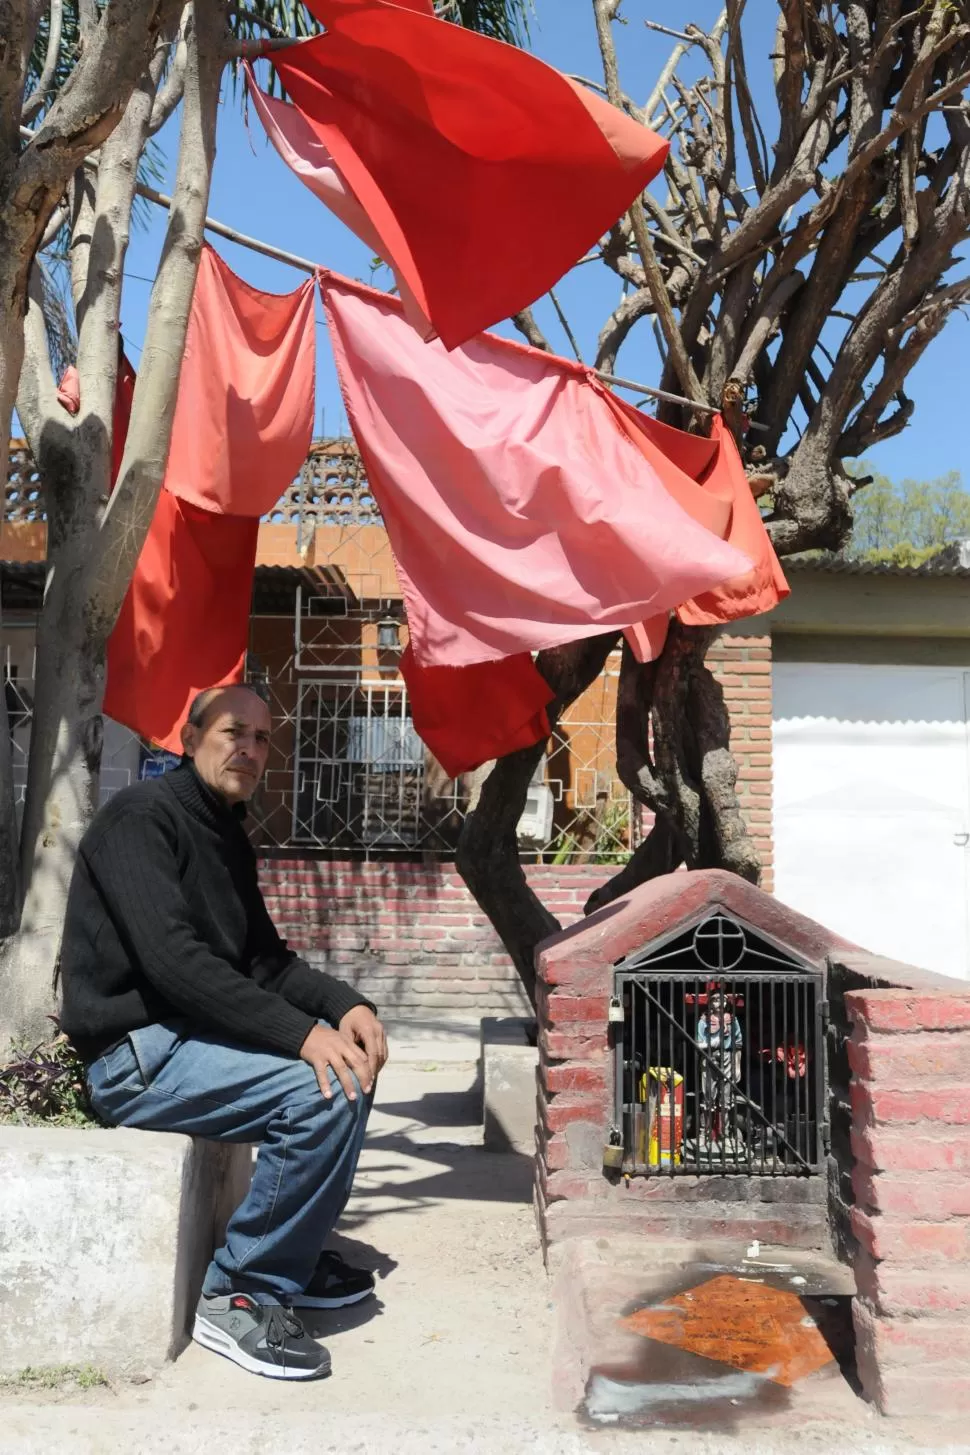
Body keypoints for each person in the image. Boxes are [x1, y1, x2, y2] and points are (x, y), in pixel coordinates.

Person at [59, 683, 388, 1382]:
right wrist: (302, 1036)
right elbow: (175, 963)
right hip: (134, 1055)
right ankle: (242, 1290)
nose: (250, 748)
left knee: (348, 1062)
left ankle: (287, 1259)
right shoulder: (140, 819)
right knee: (323, 1088)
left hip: (186, 1041)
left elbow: (264, 961)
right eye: (234, 731)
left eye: (263, 738)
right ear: (190, 735)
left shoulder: (226, 833)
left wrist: (345, 1005)